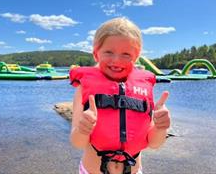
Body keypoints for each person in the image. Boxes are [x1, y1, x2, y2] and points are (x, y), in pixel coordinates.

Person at [69, 17, 171, 174]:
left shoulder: (142, 88)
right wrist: (83, 129)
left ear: (136, 57)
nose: (116, 60)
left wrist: (160, 127)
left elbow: (154, 143)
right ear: (96, 54)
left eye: (126, 54)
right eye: (108, 52)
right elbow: (77, 143)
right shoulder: (84, 89)